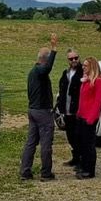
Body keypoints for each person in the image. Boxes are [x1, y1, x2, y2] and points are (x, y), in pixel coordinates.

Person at [20, 34, 59, 180]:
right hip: (42, 111)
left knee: (31, 142)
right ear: (46, 59)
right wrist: (54, 50)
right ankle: (46, 173)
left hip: (33, 110)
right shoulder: (40, 71)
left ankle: (25, 171)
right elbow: (47, 68)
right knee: (46, 143)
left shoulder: (32, 71)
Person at [75, 57, 101, 179]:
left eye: (86, 66)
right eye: (83, 65)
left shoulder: (98, 81)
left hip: (90, 117)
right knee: (82, 143)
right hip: (82, 116)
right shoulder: (86, 81)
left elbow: (98, 102)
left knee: (89, 145)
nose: (83, 67)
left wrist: (91, 118)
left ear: (92, 67)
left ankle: (89, 170)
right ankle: (83, 166)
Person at [56, 48, 83, 166]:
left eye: (76, 58)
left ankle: (82, 160)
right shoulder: (65, 73)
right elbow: (62, 90)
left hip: (78, 111)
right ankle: (75, 157)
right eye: (71, 59)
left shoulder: (83, 72)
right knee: (70, 136)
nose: (74, 60)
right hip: (66, 111)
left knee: (79, 136)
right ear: (68, 60)